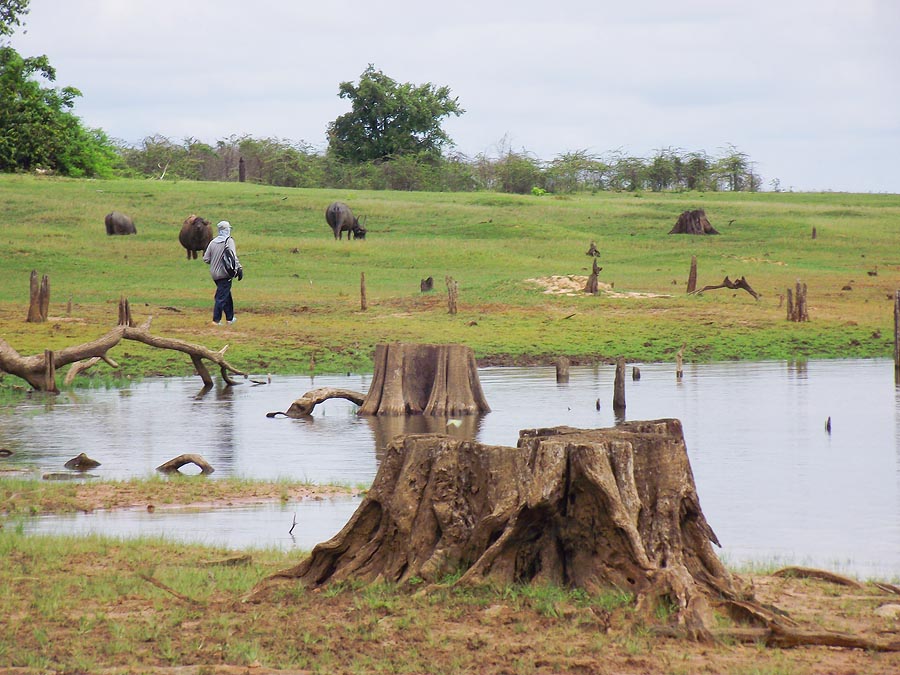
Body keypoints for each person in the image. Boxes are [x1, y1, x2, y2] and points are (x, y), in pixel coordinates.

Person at [203, 220, 243, 325]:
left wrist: (215, 260)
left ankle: (230, 318)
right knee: (221, 297)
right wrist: (239, 268)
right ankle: (216, 320)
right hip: (225, 273)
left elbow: (206, 259)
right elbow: (233, 257)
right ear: (227, 230)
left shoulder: (213, 242)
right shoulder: (229, 241)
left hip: (215, 275)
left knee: (226, 294)